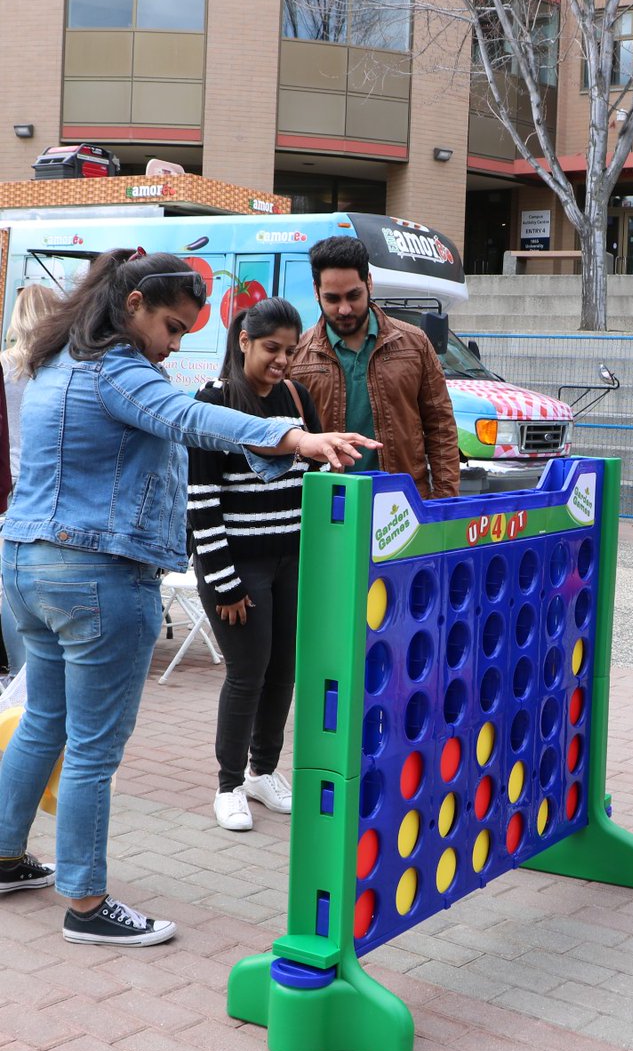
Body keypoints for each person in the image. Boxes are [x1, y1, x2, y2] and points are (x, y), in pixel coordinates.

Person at [0, 250, 377, 947]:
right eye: (173, 327)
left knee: (44, 721)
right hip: (97, 576)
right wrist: (294, 436)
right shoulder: (118, 371)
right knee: (91, 747)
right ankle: (86, 904)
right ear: (134, 303)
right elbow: (195, 420)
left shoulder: (57, 362)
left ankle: (3, 855)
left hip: (26, 565)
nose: (176, 345)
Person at [187, 298, 338, 832]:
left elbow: (317, 475)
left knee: (282, 672)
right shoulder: (214, 400)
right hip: (238, 566)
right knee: (247, 674)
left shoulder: (297, 397)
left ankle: (263, 772)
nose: (282, 360)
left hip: (291, 559)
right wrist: (224, 582)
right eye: (272, 348)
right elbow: (202, 499)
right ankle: (228, 784)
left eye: (290, 351)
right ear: (244, 340)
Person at [289, 235, 460, 500]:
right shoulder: (298, 357)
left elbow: (440, 428)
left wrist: (445, 504)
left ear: (369, 282)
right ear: (316, 291)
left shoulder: (415, 344)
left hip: (405, 506)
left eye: (353, 295)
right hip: (329, 507)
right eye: (332, 299)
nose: (344, 309)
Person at [0, 284, 62, 673]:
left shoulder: (5, 366)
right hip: (48, 483)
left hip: (11, 483)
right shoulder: (57, 368)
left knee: (9, 583)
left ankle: (22, 669)